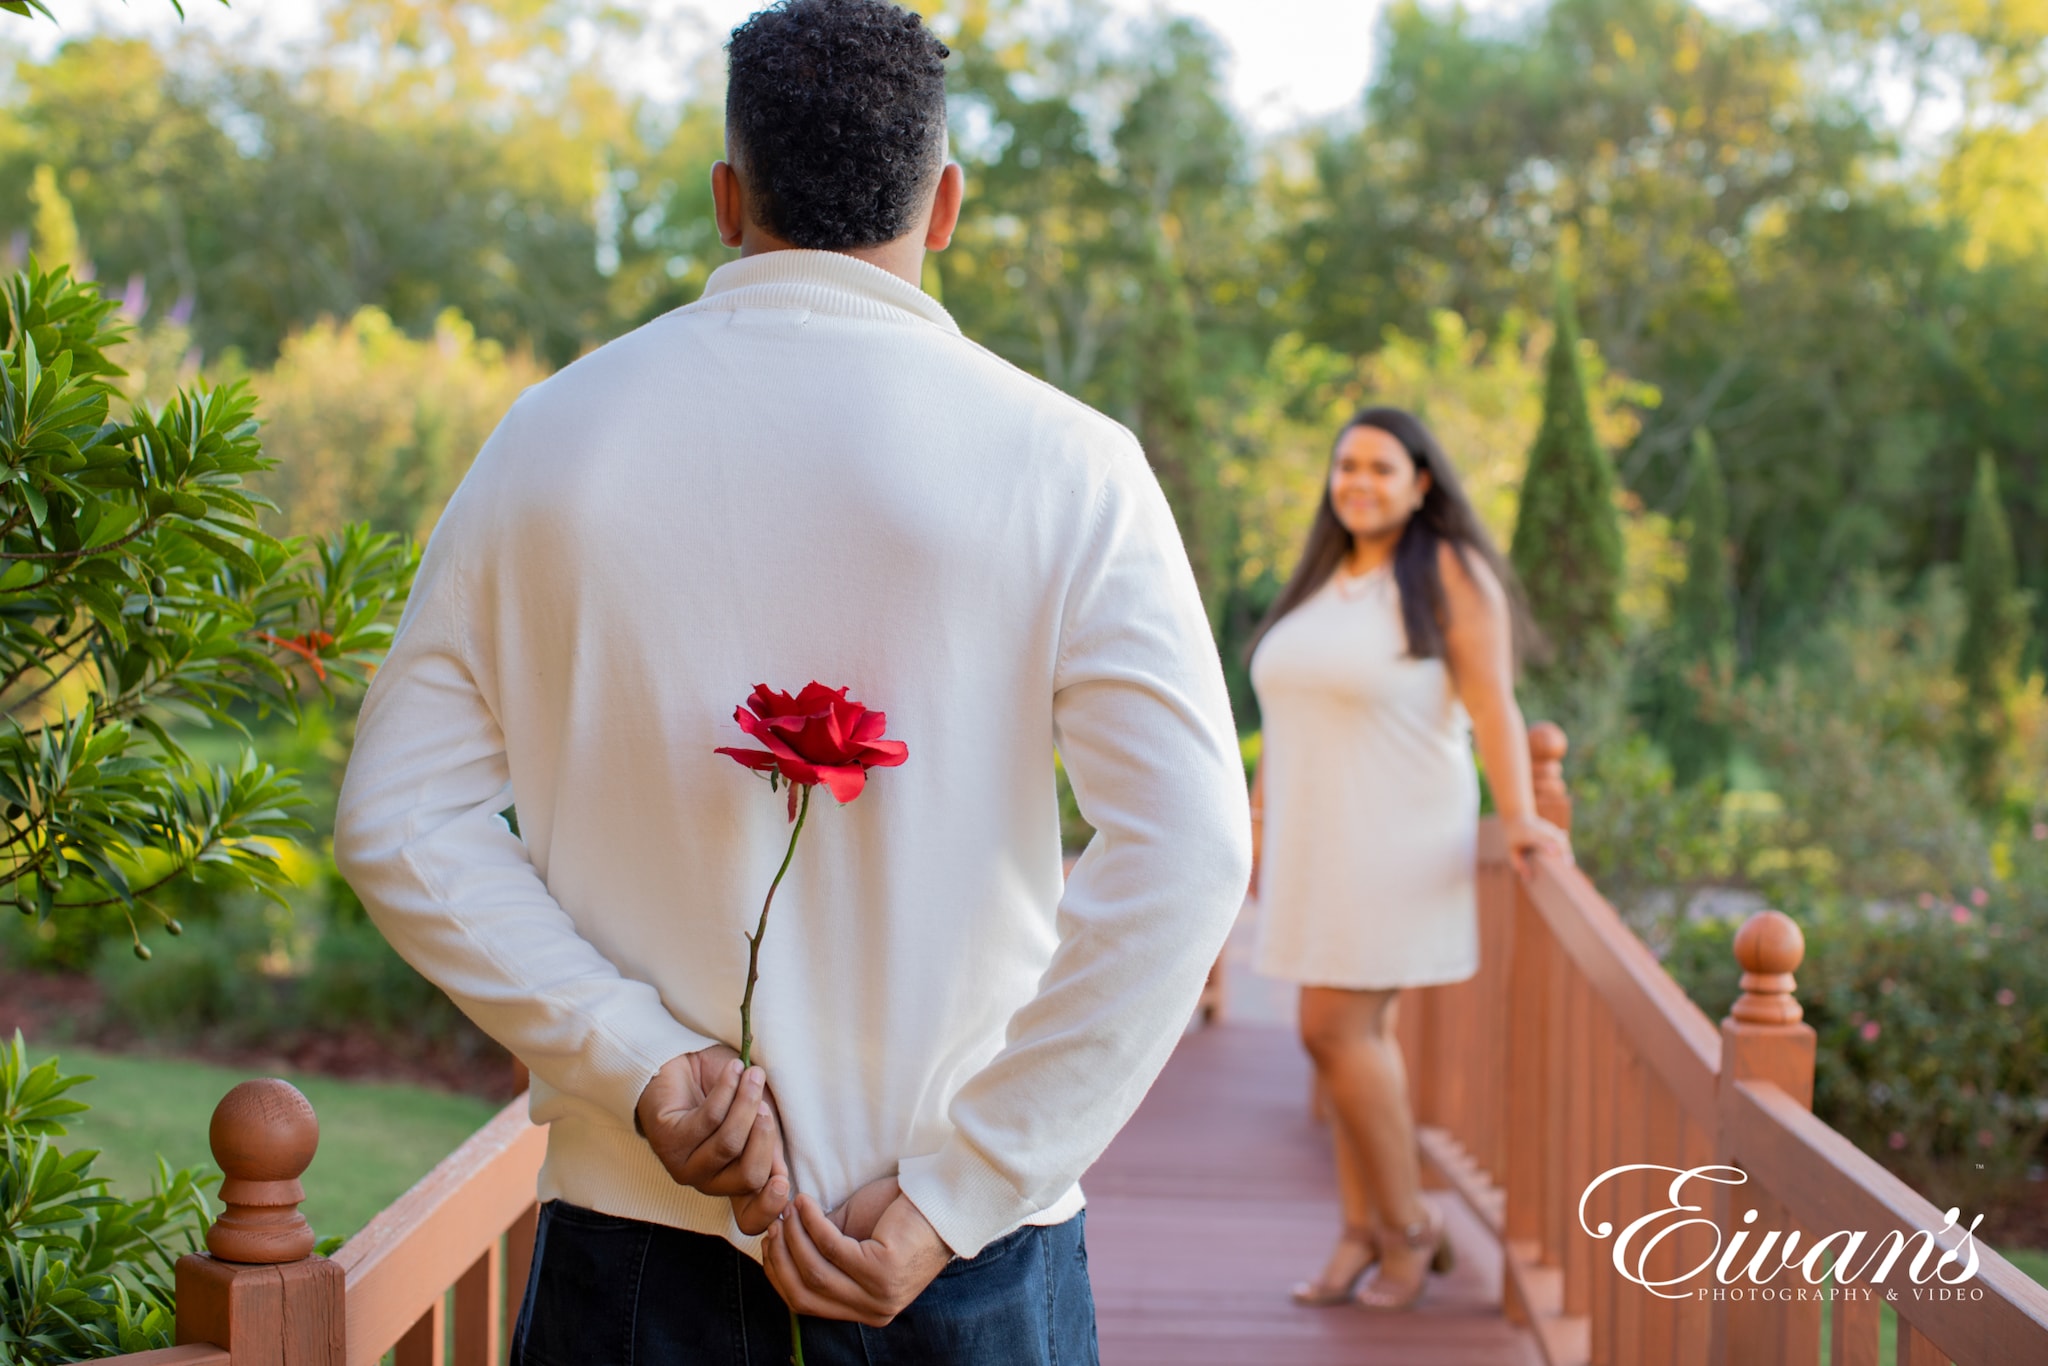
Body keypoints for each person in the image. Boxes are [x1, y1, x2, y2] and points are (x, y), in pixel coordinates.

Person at [331, 2, 1251, 1361]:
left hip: (640, 1242)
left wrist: (640, 1060)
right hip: (964, 1261)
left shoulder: (552, 441)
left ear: (726, 197)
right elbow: (1191, 856)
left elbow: (398, 821)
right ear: (944, 205)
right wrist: (961, 1187)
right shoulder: (1071, 462)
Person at [1245, 407, 1568, 1312]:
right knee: (1348, 1044)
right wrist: (1262, 831)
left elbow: (1494, 707)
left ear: (1422, 482)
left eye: (1382, 468)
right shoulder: (1323, 580)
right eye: (1347, 464)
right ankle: (1361, 1233)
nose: (1359, 482)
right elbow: (1288, 720)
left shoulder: (1450, 574)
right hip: (1316, 843)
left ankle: (1410, 1230)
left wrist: (1523, 817)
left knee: (1331, 1031)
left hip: (1396, 840)